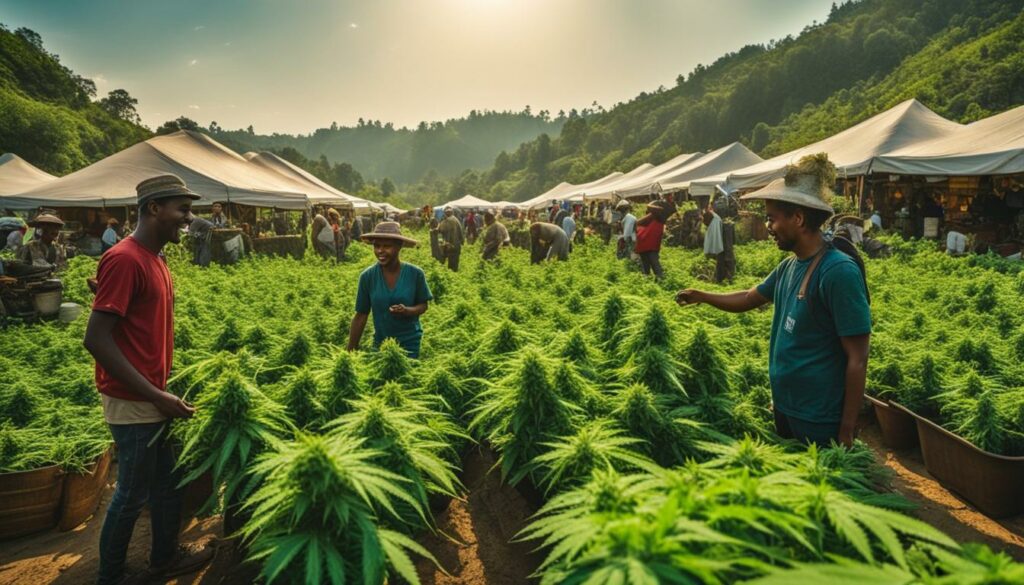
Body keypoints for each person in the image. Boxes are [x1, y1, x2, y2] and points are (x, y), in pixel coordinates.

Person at [676, 155, 871, 448]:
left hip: (819, 418)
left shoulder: (838, 272)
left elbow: (858, 357)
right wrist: (703, 297)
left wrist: (847, 426)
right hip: (786, 409)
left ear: (799, 219)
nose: (767, 226)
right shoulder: (789, 266)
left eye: (772, 218)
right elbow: (749, 297)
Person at [84, 174, 214, 585]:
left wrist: (162, 392)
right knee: (131, 495)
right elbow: (96, 338)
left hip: (153, 396)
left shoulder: (155, 259)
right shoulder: (126, 258)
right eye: (182, 209)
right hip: (135, 399)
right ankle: (111, 576)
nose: (188, 219)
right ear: (154, 208)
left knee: (167, 485)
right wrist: (156, 396)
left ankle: (164, 558)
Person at [347, 222, 432, 358]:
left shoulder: (415, 274)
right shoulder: (367, 277)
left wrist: (407, 311)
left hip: (410, 343)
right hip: (380, 343)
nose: (380, 251)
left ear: (399, 247)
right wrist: (350, 352)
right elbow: (361, 315)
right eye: (377, 246)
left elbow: (423, 305)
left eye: (387, 246)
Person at [634, 200, 672, 279]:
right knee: (652, 266)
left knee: (650, 266)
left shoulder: (655, 219)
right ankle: (657, 281)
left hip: (645, 245)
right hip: (647, 245)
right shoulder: (654, 219)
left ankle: (653, 281)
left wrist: (650, 206)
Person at [437, 207, 464, 271]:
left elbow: (439, 231)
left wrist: (440, 242)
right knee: (455, 263)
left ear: (446, 214)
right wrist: (462, 242)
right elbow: (461, 233)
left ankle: (449, 275)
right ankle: (454, 275)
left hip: (449, 245)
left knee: (448, 263)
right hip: (456, 245)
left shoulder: (446, 221)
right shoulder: (457, 220)